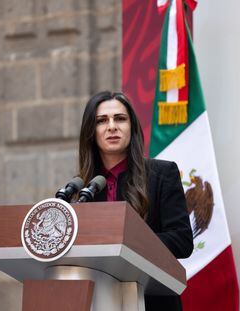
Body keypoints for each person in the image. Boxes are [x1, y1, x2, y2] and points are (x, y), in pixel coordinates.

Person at [78, 91, 193, 311]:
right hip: (96, 301)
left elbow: (182, 240)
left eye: (120, 118)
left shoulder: (162, 174)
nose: (112, 126)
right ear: (91, 132)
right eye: (102, 121)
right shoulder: (82, 189)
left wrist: (126, 243)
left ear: (132, 127)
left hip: (152, 300)